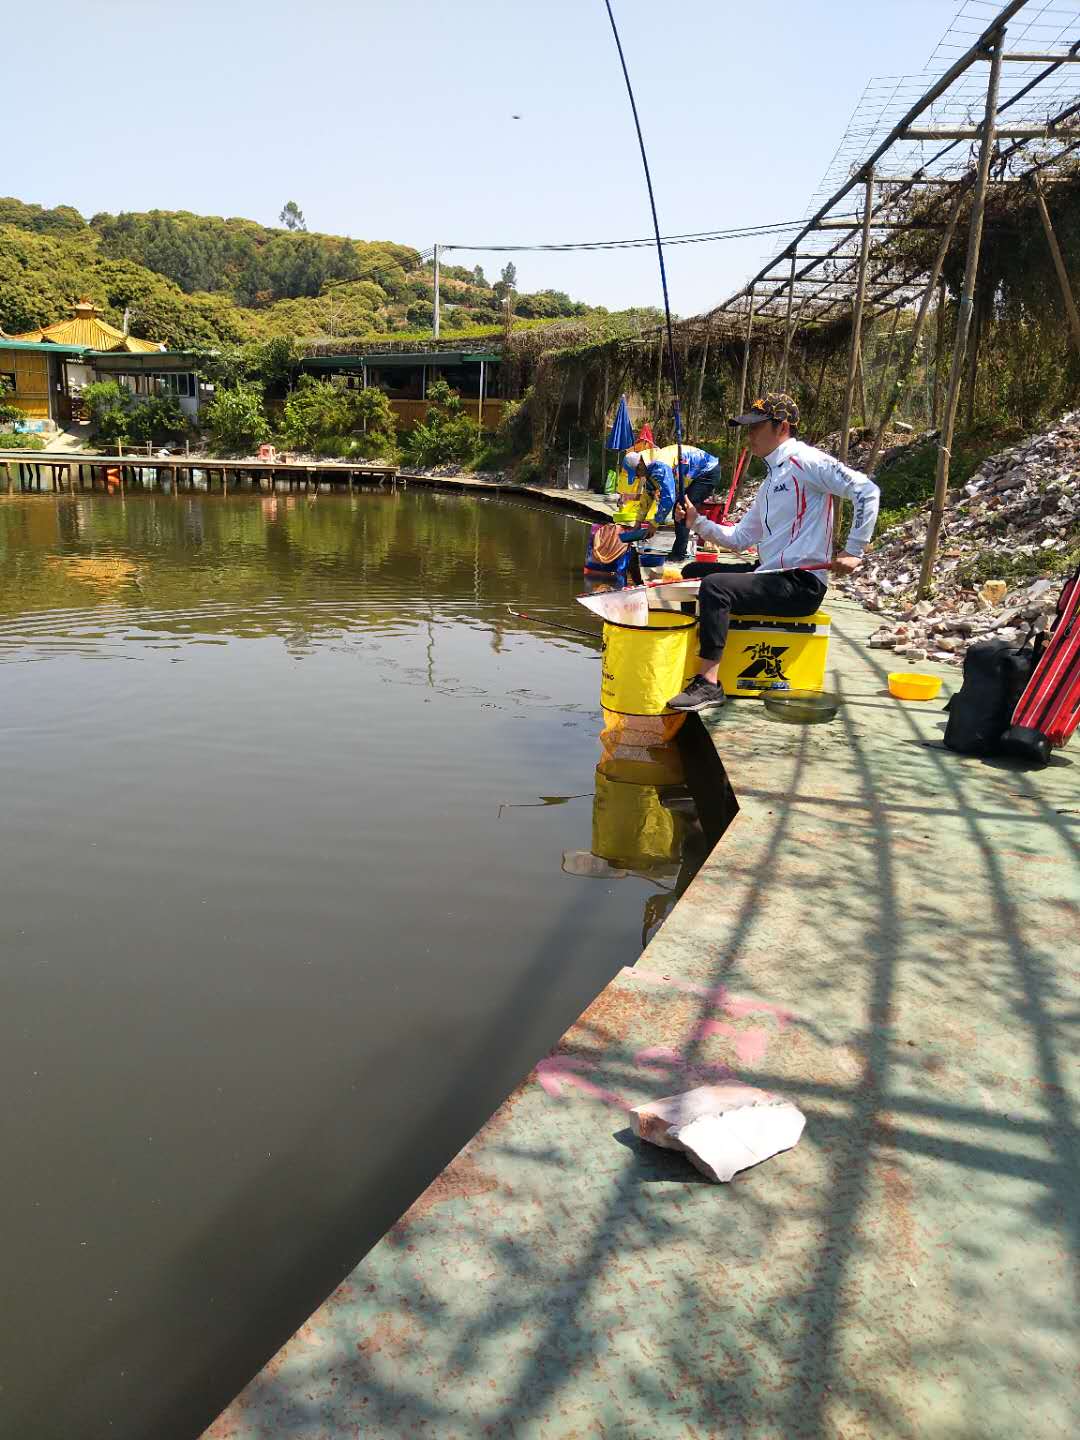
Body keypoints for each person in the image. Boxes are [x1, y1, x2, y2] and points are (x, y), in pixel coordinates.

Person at [666, 392, 880, 711]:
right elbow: (739, 538)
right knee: (694, 572)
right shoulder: (770, 481)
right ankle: (691, 655)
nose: (749, 434)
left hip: (800, 584)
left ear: (781, 427)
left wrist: (854, 549)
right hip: (770, 574)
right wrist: (697, 522)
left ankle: (708, 683)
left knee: (716, 587)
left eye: (756, 426)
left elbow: (866, 490)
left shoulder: (804, 460)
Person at [668, 445, 721, 563]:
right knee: (679, 508)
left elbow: (681, 487)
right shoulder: (666, 461)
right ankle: (678, 551)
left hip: (708, 473)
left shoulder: (671, 464)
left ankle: (679, 554)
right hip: (700, 473)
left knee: (684, 508)